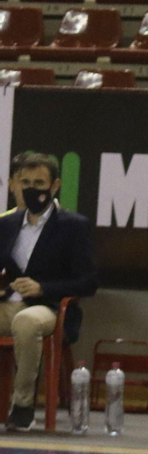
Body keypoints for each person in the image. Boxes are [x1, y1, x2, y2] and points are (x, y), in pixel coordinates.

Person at [0, 151, 97, 432]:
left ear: (54, 186)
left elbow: (88, 281)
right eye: (25, 182)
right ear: (16, 185)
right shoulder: (7, 224)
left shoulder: (72, 226)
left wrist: (43, 287)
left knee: (27, 322)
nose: (32, 190)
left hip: (51, 306)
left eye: (39, 183)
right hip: (12, 302)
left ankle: (23, 406)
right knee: (19, 316)